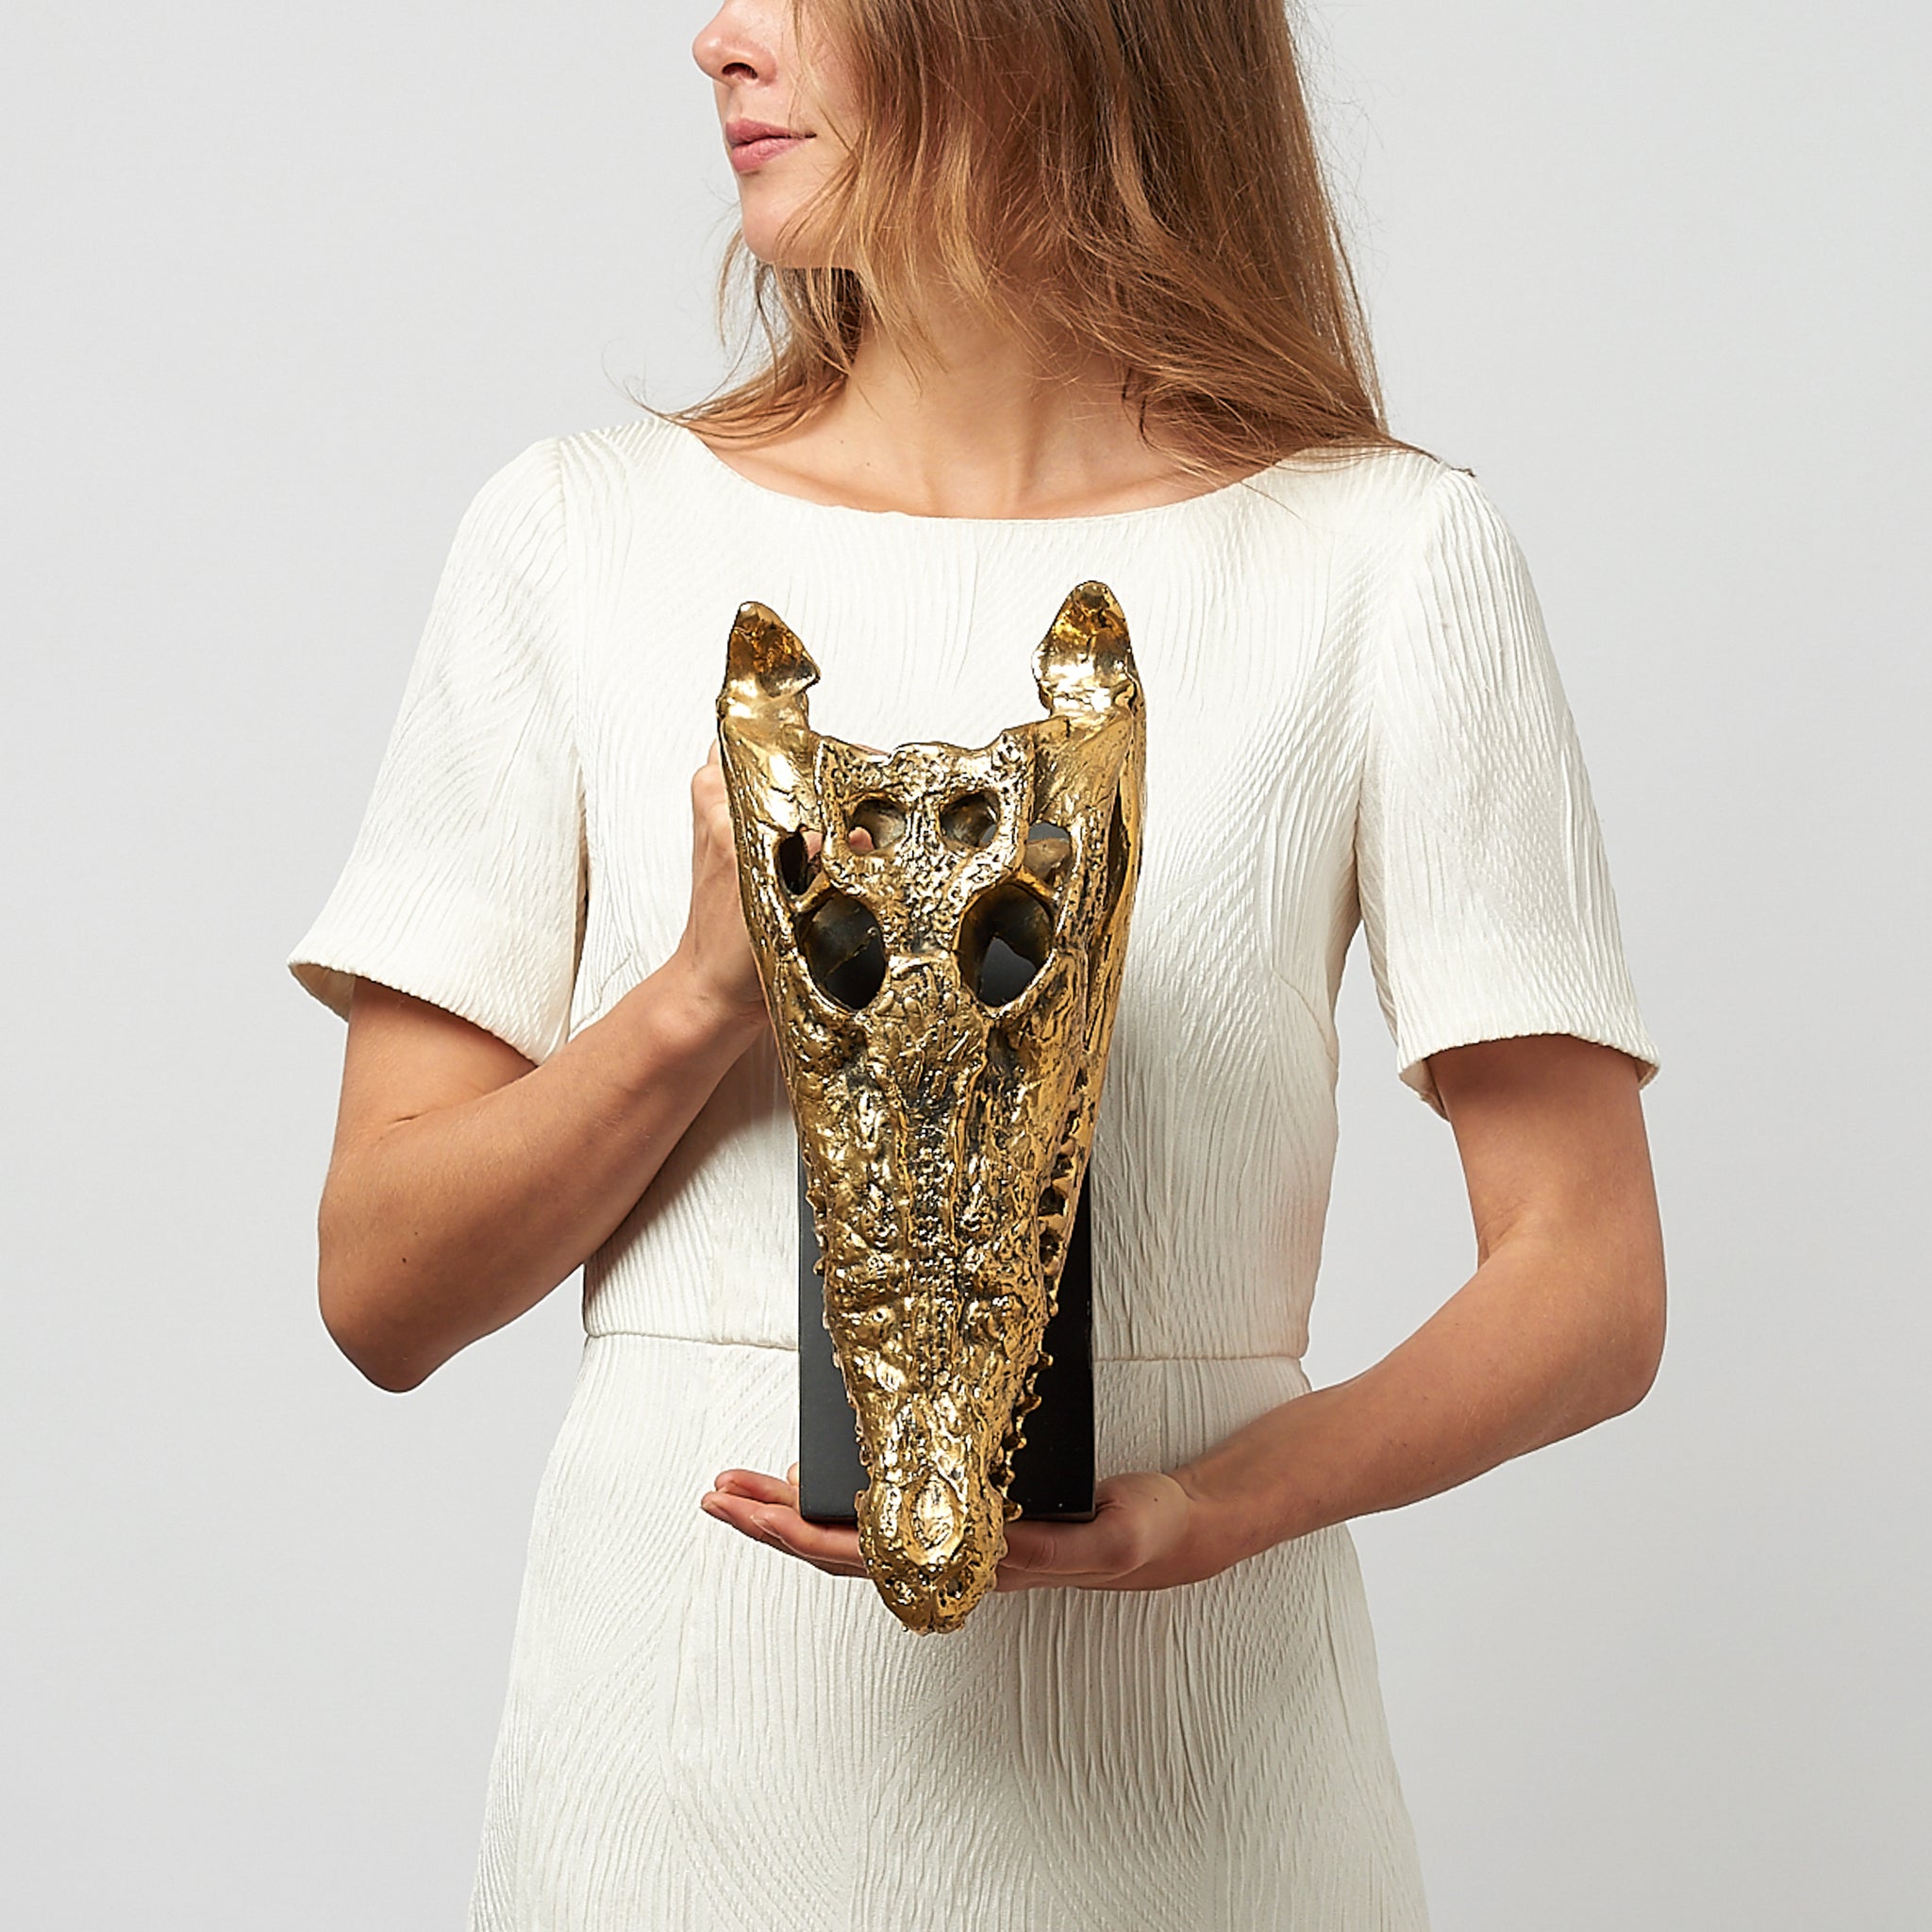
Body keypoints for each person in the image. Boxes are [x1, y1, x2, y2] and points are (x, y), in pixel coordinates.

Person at [287, 0, 1666, 1924]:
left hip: (1193, 1784)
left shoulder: (1383, 553)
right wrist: (704, 992)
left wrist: (1218, 1507)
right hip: (676, 1785)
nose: (717, 42)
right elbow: (384, 1290)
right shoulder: (576, 537)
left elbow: (1589, 1279)